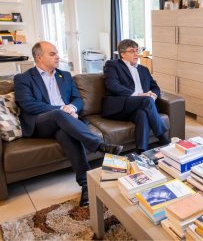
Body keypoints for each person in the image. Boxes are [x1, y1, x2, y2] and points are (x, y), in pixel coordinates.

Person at [14, 41, 123, 207]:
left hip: (64, 121)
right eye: (52, 54)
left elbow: (77, 99)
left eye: (57, 53)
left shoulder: (64, 76)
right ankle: (99, 146)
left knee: (66, 134)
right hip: (40, 122)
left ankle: (86, 185)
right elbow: (28, 104)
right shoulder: (23, 78)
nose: (58, 56)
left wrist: (72, 107)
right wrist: (62, 109)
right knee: (58, 114)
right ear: (39, 57)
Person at [102, 39, 170, 153]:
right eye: (132, 51)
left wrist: (153, 95)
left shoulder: (144, 69)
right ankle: (164, 139)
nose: (136, 54)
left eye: (137, 50)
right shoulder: (112, 65)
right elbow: (112, 85)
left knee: (142, 114)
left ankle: (142, 151)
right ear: (123, 54)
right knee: (147, 101)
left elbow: (155, 87)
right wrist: (138, 95)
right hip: (121, 105)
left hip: (140, 105)